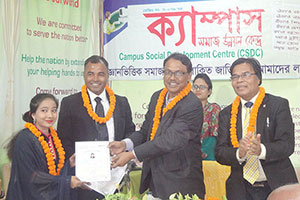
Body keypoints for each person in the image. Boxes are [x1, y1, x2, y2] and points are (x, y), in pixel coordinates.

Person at [109, 53, 205, 200]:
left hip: (181, 184)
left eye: (178, 73)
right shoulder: (157, 97)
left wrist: (131, 155)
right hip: (155, 181)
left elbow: (170, 140)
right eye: (168, 72)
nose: (172, 78)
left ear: (190, 75)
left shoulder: (192, 104)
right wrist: (125, 144)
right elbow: (146, 131)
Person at [215, 58, 298, 200]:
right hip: (241, 189)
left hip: (276, 186)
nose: (239, 80)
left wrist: (262, 150)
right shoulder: (226, 114)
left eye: (245, 75)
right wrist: (238, 153)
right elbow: (220, 152)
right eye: (235, 76)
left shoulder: (277, 105)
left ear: (258, 78)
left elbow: (287, 145)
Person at [57, 55, 135, 200]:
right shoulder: (70, 103)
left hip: (116, 175)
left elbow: (130, 132)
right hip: (84, 179)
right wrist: (77, 163)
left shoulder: (121, 102)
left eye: (101, 74)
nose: (95, 79)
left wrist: (124, 152)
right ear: (84, 75)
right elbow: (64, 139)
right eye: (90, 74)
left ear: (107, 76)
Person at [6, 93, 86, 200]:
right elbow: (30, 176)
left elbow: (55, 169)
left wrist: (69, 164)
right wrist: (66, 182)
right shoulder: (25, 139)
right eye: (44, 110)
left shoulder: (55, 136)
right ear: (33, 114)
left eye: (53, 110)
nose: (50, 115)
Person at [192, 73, 221, 160]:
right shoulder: (187, 110)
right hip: (188, 157)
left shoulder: (214, 109)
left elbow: (214, 137)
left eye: (202, 87)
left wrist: (200, 152)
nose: (198, 90)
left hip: (208, 155)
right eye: (195, 87)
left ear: (209, 91)